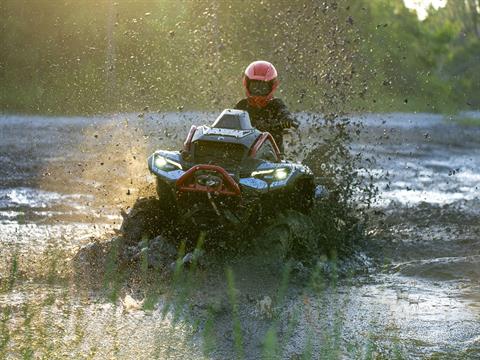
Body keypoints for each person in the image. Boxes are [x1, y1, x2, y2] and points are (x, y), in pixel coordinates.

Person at [234, 60, 299, 153]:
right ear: (246, 84)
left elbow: (285, 113)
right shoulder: (242, 105)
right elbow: (228, 120)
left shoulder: (276, 105)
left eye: (263, 88)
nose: (258, 92)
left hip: (271, 157)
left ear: (272, 86)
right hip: (243, 154)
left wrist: (287, 120)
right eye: (255, 87)